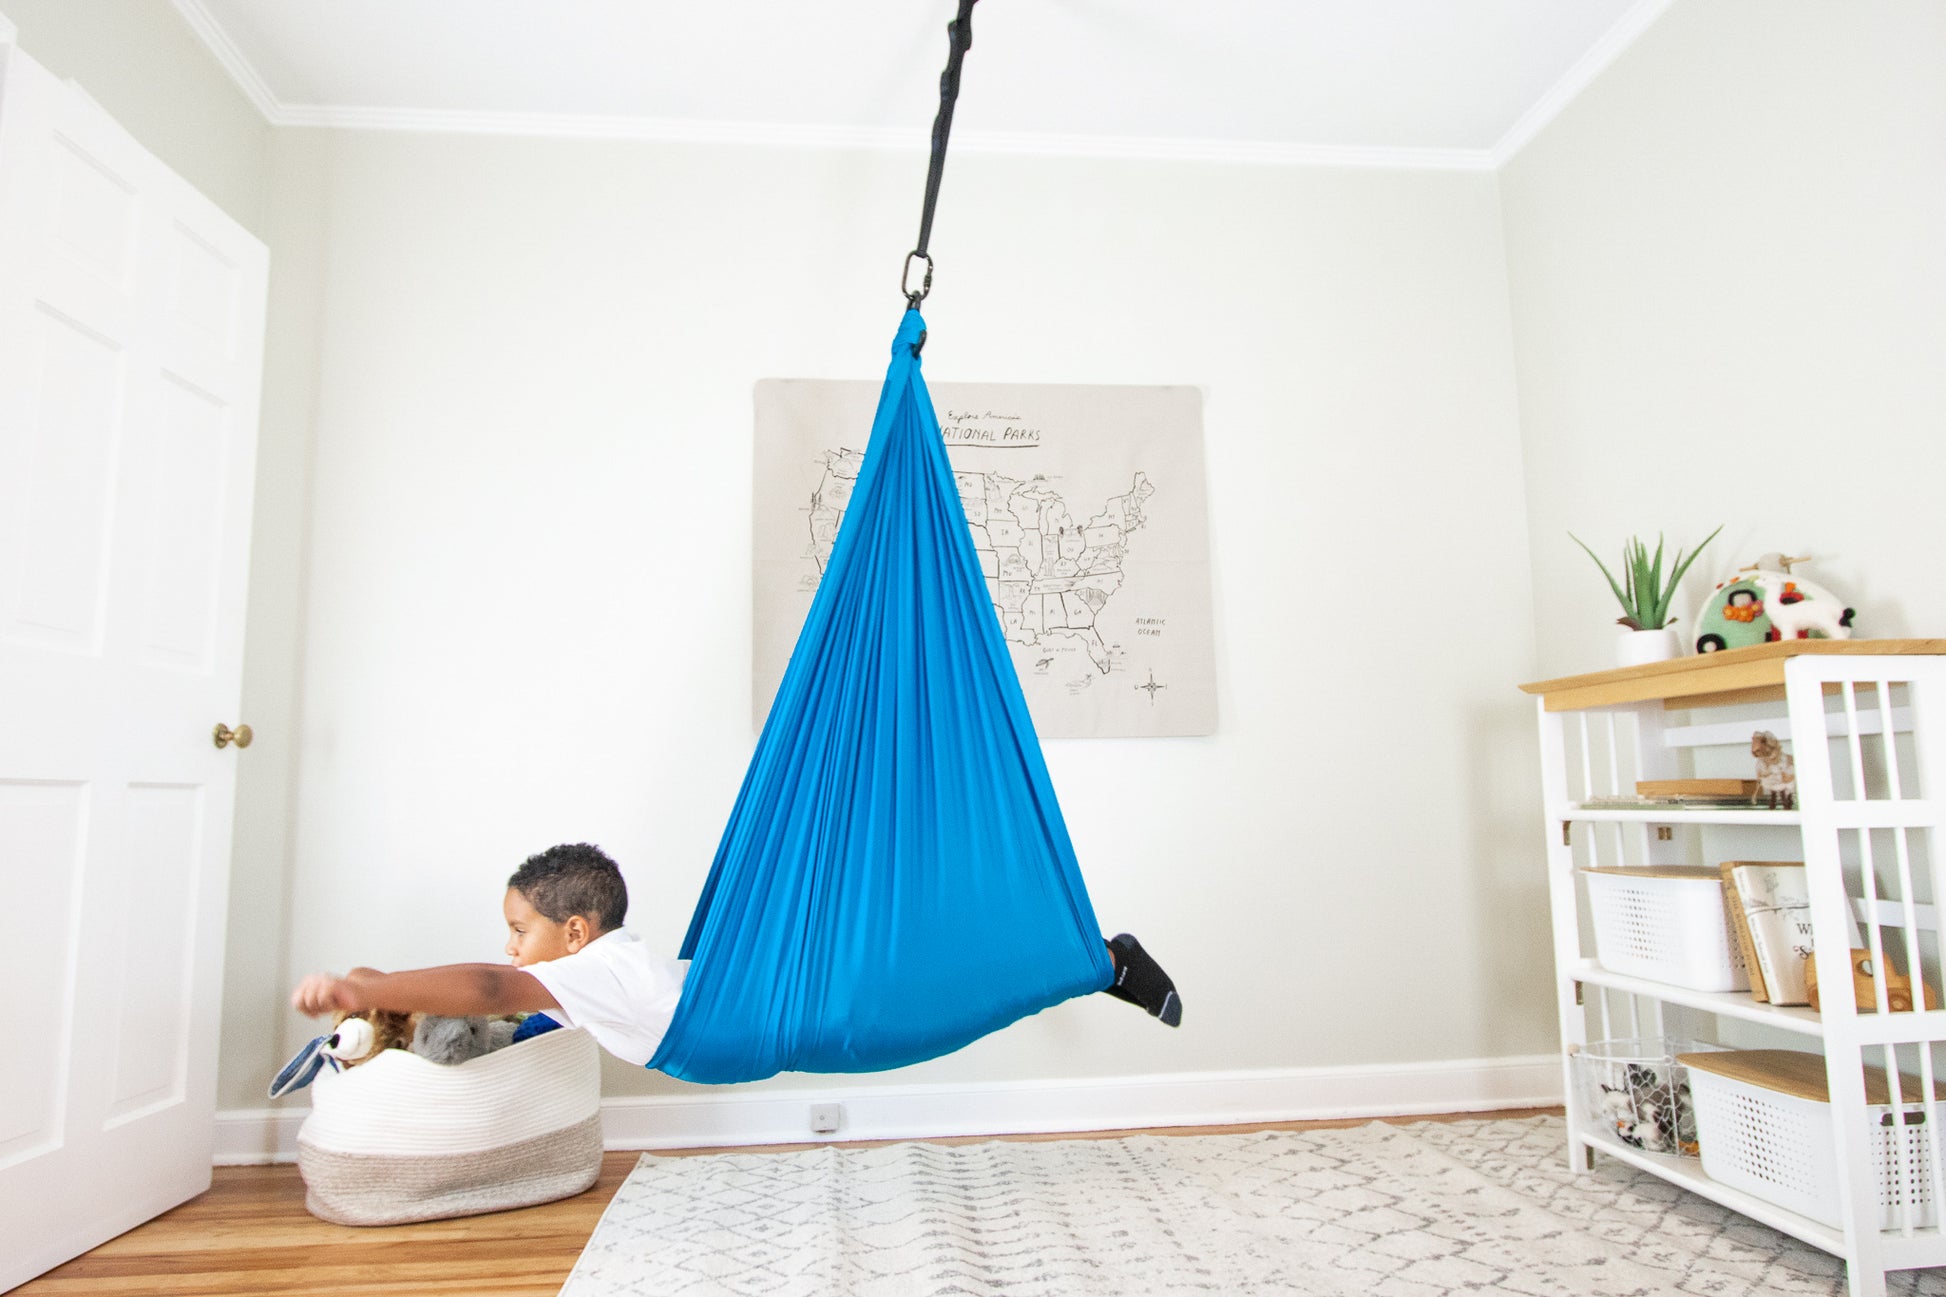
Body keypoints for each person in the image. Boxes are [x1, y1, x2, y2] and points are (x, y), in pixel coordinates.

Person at [290, 842, 1182, 1069]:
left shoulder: (583, 971)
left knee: (944, 1007)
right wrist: (390, 1007)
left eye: (519, 926)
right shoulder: (588, 980)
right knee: (943, 992)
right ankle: (1095, 963)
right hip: (772, 997)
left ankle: (1104, 962)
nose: (509, 946)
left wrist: (372, 983)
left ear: (574, 932)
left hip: (795, 1008)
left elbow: (488, 986)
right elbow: (510, 1009)